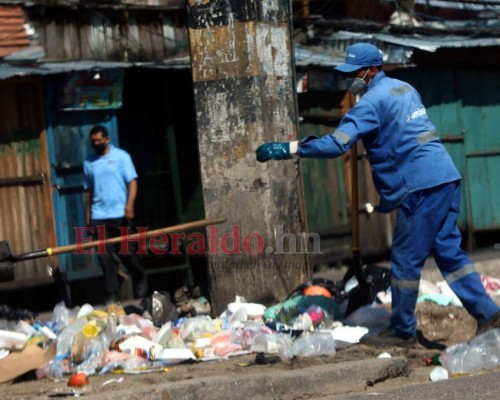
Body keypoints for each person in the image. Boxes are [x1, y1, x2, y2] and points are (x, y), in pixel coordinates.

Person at [256, 42, 500, 347]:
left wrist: (288, 148)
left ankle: (402, 331)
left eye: (355, 73)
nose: (350, 79)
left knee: (405, 262)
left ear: (372, 70)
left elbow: (336, 144)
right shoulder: (404, 89)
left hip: (419, 187)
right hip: (446, 177)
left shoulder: (370, 104)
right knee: (450, 255)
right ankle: (488, 312)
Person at [83, 125, 148, 303]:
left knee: (124, 252)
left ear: (107, 139)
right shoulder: (89, 163)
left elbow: (132, 182)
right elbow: (88, 190)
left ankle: (139, 274)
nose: (96, 144)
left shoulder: (121, 157)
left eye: (99, 140)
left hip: (119, 213)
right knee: (104, 255)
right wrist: (88, 215)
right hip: (98, 215)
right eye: (93, 141)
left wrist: (130, 205)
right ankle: (113, 294)